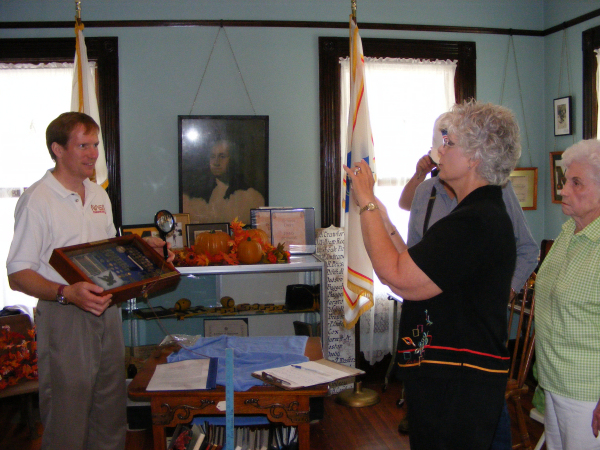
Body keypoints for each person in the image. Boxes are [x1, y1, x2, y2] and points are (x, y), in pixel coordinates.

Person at [344, 101, 521, 449]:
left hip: (459, 388)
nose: (440, 150)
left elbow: (396, 277)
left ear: (475, 158)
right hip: (452, 382)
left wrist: (364, 202)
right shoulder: (474, 213)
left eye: (450, 143)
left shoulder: (475, 221)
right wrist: (381, 216)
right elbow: (412, 264)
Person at [6, 112, 173, 450]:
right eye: (83, 145)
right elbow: (18, 274)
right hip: (64, 315)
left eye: (95, 145)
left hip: (107, 313)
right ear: (57, 149)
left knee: (110, 412)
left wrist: (147, 253)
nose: (93, 153)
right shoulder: (37, 200)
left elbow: (110, 253)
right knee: (68, 417)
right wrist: (67, 293)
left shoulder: (98, 196)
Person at [398, 120, 539, 448]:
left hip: (475, 343)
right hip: (433, 344)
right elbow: (411, 254)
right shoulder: (425, 193)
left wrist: (506, 291)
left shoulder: (496, 193)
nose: (443, 149)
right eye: (441, 143)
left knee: (486, 423)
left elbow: (528, 249)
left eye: (450, 143)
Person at [535, 139, 600, 449]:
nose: (563, 190)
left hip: (587, 393)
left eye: (577, 183)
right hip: (553, 381)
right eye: (565, 181)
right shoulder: (568, 232)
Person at [182, 139, 265, 224]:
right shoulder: (196, 194)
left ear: (232, 159)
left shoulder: (251, 196)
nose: (216, 162)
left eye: (222, 156)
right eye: (213, 157)